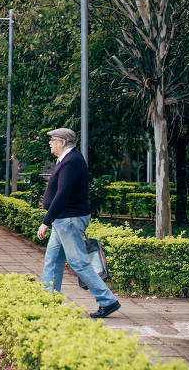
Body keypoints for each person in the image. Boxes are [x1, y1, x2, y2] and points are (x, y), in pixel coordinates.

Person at [37, 128, 121, 318]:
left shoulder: (71, 161)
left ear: (63, 142)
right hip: (64, 220)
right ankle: (47, 302)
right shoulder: (66, 160)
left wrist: (46, 222)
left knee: (78, 263)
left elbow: (62, 194)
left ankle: (107, 301)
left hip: (69, 220)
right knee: (52, 261)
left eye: (53, 140)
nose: (50, 143)